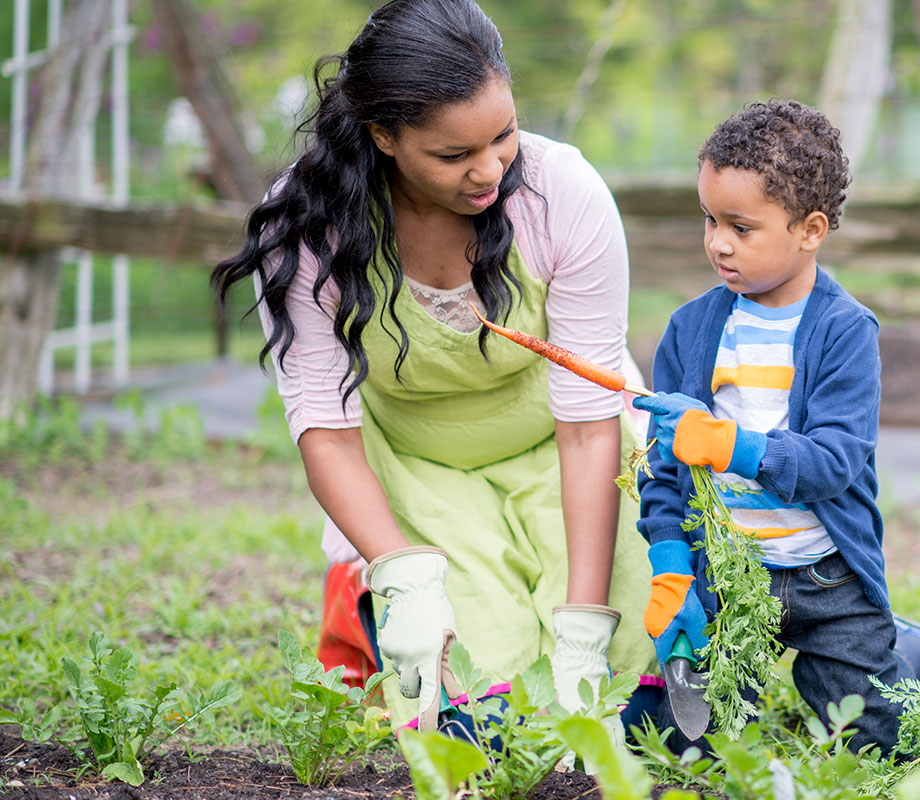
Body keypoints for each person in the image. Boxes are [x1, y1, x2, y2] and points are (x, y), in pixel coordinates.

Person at [211, 0, 656, 741]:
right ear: (383, 135)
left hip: (573, 453)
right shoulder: (308, 228)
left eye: (503, 135)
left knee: (630, 685)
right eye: (454, 157)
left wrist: (584, 624)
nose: (490, 170)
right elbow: (325, 426)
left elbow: (586, 427)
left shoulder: (562, 195)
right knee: (489, 707)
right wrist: (401, 572)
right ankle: (366, 606)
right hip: (422, 471)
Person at [632, 100, 920, 757]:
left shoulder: (844, 331)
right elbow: (664, 469)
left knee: (876, 742)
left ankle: (917, 655)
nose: (718, 241)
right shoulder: (690, 332)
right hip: (728, 578)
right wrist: (672, 569)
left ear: (810, 229)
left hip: (826, 575)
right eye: (709, 219)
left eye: (741, 227)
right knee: (693, 745)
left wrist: (731, 444)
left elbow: (836, 461)